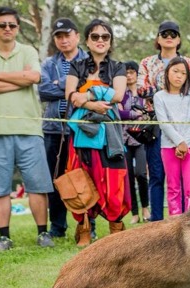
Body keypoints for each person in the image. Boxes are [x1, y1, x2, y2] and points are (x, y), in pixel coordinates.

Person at [0, 6, 54, 251]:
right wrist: (20, 80)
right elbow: (24, 79)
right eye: (2, 24)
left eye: (12, 25)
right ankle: (4, 237)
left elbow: (34, 78)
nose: (7, 29)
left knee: (38, 184)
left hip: (29, 128)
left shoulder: (27, 50)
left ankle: (43, 233)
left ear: (17, 28)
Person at [65, 19, 130, 246]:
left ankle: (116, 228)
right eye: (95, 36)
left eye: (105, 37)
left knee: (114, 180)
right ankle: (83, 229)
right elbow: (70, 95)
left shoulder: (118, 67)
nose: (100, 40)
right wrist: (91, 104)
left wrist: (90, 94)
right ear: (87, 41)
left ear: (110, 41)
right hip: (81, 132)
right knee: (80, 179)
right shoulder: (77, 66)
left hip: (108, 133)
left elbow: (119, 96)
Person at [39, 18, 96, 239]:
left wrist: (59, 84)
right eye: (59, 36)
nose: (63, 40)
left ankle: (86, 224)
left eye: (67, 35)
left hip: (81, 127)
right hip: (53, 128)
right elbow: (43, 91)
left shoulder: (88, 60)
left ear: (77, 36)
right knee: (55, 178)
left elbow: (89, 88)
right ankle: (57, 226)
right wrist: (71, 85)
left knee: (83, 177)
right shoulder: (47, 63)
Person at [138, 20, 190, 222]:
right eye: (164, 33)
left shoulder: (188, 63)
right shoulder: (146, 62)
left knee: (185, 180)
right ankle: (156, 221)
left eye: (173, 33)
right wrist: (165, 92)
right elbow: (141, 90)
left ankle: (186, 221)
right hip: (155, 124)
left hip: (184, 129)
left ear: (179, 39)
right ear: (158, 38)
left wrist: (164, 90)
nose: (169, 37)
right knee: (156, 175)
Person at [153, 57, 190, 215]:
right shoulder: (159, 96)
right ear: (167, 73)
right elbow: (164, 123)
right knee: (173, 187)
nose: (179, 76)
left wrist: (184, 143)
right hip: (169, 147)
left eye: (183, 73)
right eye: (175, 71)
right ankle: (175, 223)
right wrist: (178, 142)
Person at [118, 60, 150, 224]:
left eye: (132, 72)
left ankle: (146, 206)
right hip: (124, 138)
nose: (129, 75)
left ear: (137, 74)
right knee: (128, 176)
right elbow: (118, 113)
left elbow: (148, 111)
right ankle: (135, 212)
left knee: (141, 173)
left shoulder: (143, 92)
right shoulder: (120, 93)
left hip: (141, 138)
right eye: (126, 72)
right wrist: (132, 114)